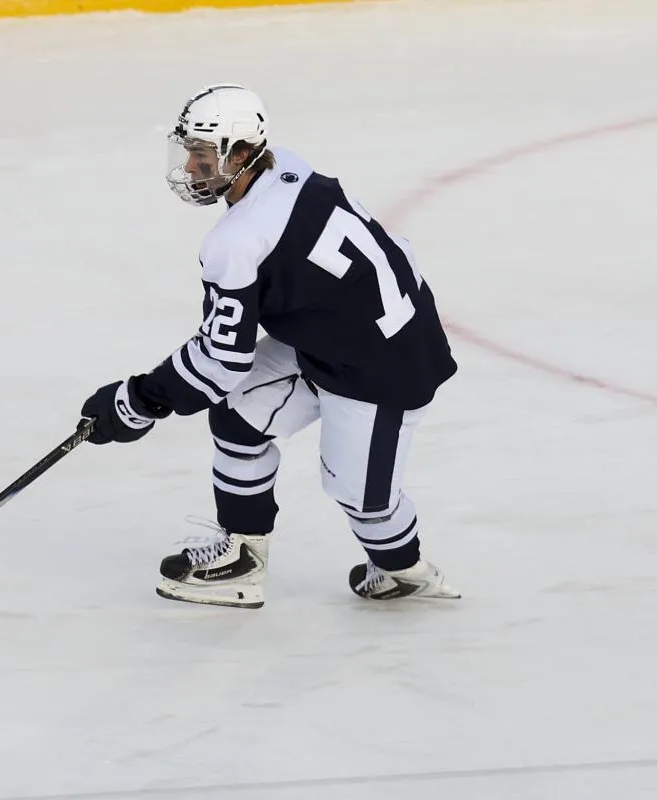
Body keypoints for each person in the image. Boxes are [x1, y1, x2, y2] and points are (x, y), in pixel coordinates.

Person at [79, 83, 460, 609]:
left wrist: (139, 400)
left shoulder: (236, 242)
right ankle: (242, 558)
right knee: (237, 416)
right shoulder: (289, 168)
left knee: (362, 500)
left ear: (241, 153)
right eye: (188, 151)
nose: (190, 168)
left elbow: (221, 359)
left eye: (202, 155)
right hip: (329, 335)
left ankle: (405, 572)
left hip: (383, 364)